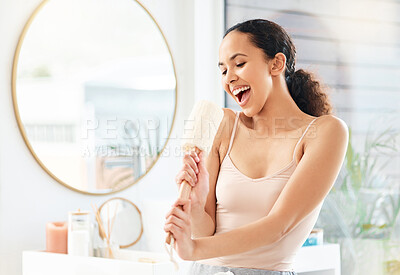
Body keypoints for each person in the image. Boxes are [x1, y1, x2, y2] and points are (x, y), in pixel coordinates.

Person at [164, 19, 348, 275]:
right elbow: (204, 231)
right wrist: (195, 205)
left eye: (239, 63)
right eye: (223, 70)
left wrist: (193, 249)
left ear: (276, 63)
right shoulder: (224, 125)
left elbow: (278, 226)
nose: (229, 78)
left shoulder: (325, 132)